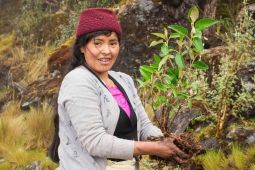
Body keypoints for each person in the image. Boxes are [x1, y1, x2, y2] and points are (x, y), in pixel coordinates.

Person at [50, 8, 188, 170]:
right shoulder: (78, 81)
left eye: (113, 43)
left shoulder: (124, 80)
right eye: (98, 43)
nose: (106, 51)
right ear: (82, 47)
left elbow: (144, 126)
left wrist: (169, 142)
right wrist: (154, 149)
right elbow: (96, 142)